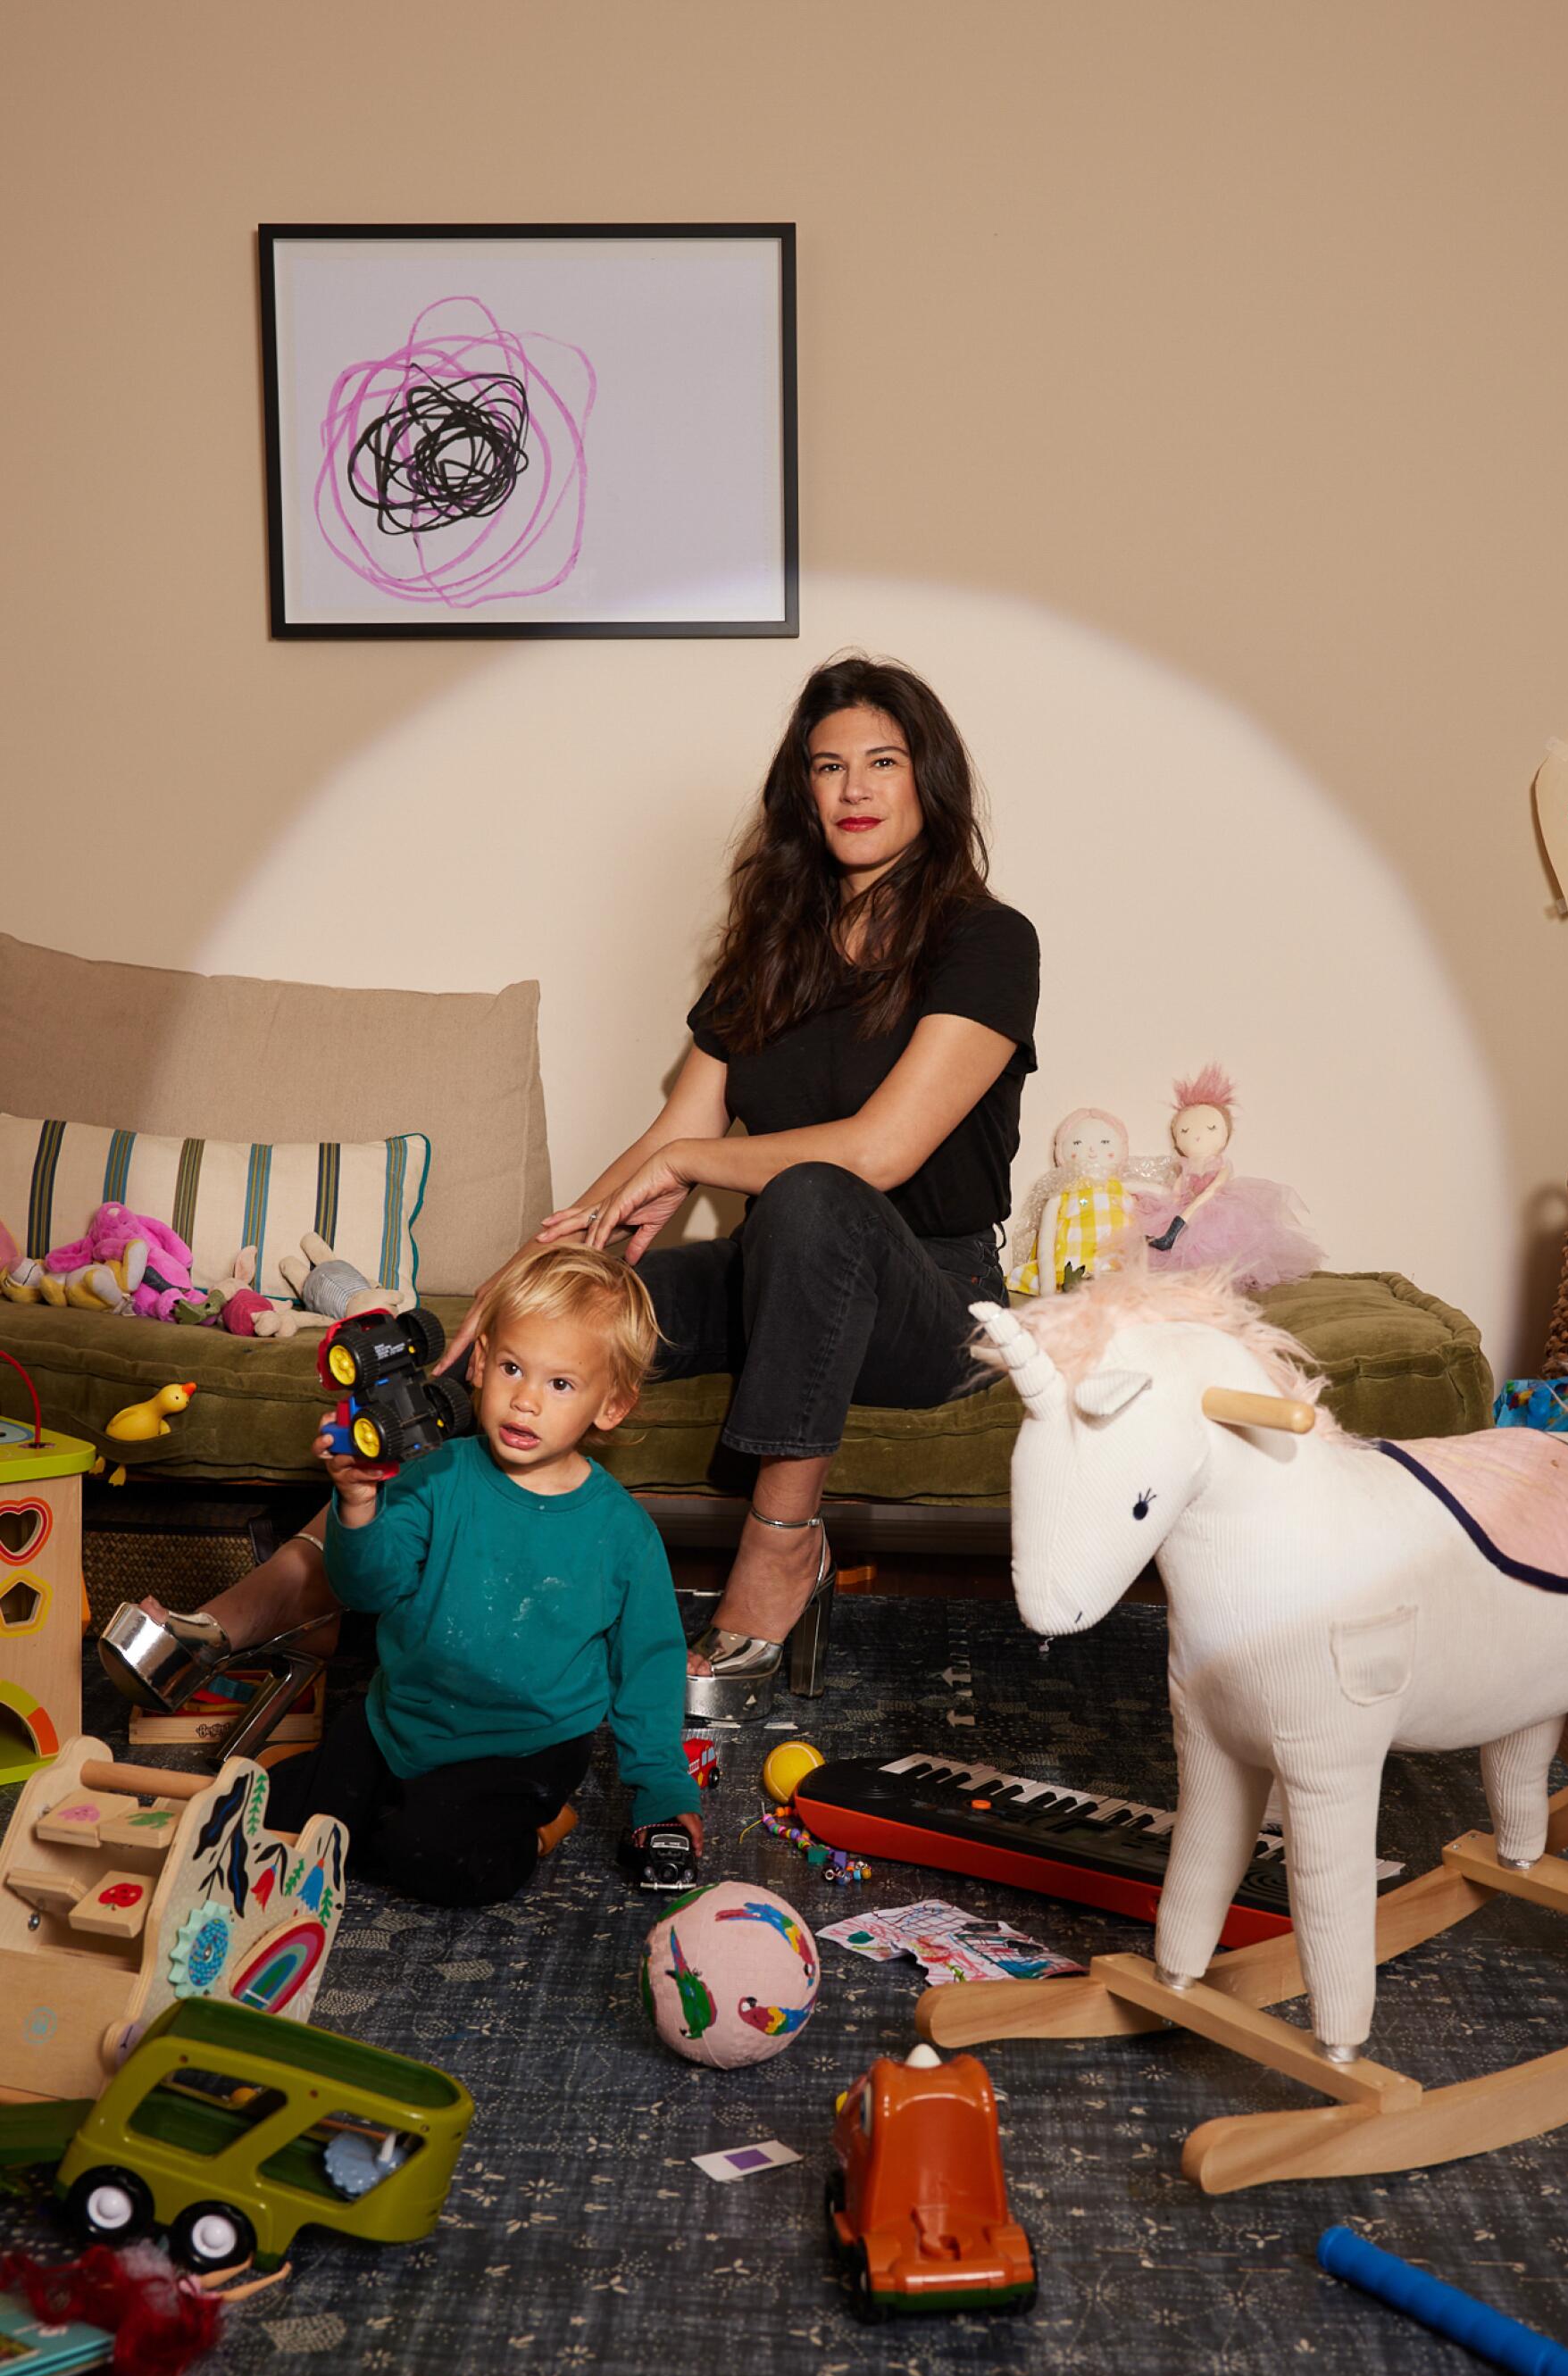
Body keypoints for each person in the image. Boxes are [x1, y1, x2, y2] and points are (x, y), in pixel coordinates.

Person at [148, 654, 1039, 1727]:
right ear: (800, 790)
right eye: (827, 766)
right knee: (515, 1344)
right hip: (783, 1279)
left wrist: (685, 1166)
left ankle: (782, 1552)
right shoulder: (773, 950)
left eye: (881, 763)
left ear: (926, 781)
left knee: (810, 1196)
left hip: (935, 1307)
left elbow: (879, 1154)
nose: (852, 790)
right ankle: (266, 1602)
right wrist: (538, 1277)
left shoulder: (988, 940)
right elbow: (678, 1132)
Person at [261, 1240, 700, 1906]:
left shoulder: (622, 1532)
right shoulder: (435, 1471)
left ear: (610, 1405)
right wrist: (357, 1503)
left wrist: (664, 1790)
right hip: (400, 1721)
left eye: (560, 1384)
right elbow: (364, 1590)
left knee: (434, 1858)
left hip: (523, 1749)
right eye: (513, 1368)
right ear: (482, 1362)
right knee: (270, 1823)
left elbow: (650, 1668)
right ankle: (361, 1807)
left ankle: (538, 1827)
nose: (525, 1401)